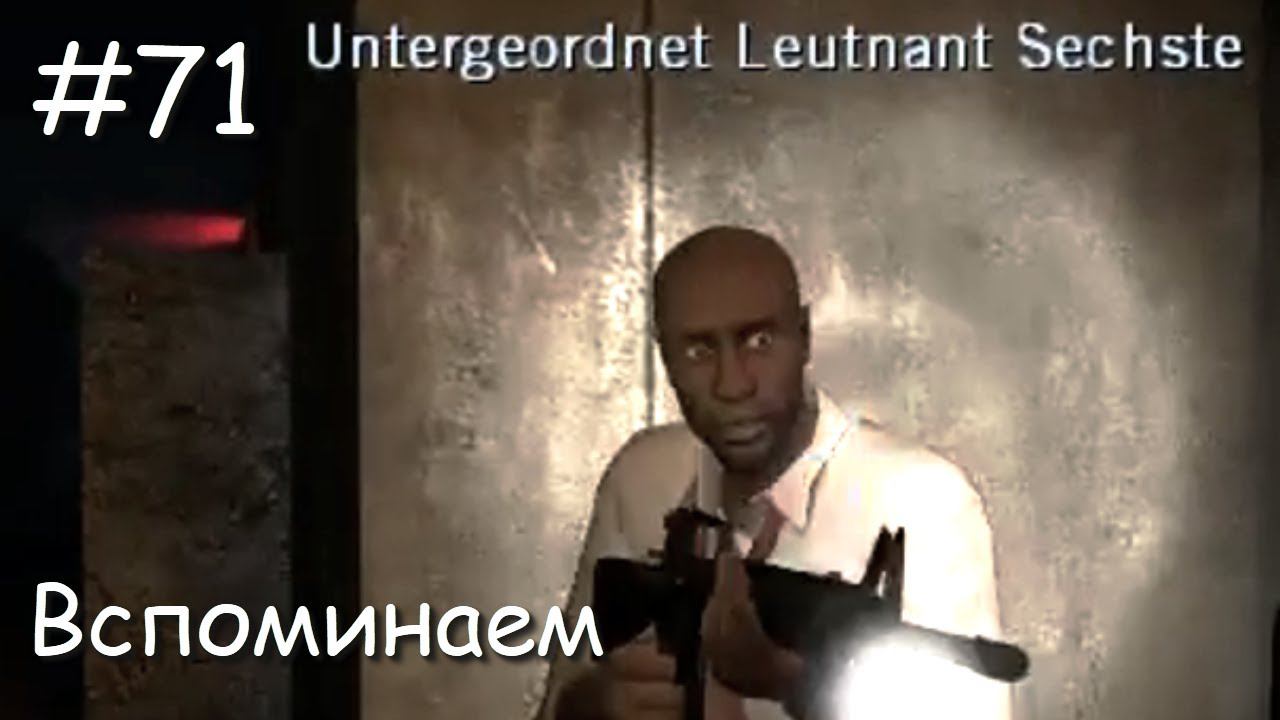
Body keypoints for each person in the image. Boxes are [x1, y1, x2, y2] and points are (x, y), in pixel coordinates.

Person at [538, 226, 1011, 719]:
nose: (732, 384)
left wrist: (786, 681)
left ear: (804, 336)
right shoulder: (644, 477)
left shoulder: (922, 500)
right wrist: (592, 705)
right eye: (699, 351)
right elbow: (561, 701)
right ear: (665, 358)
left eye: (759, 341)